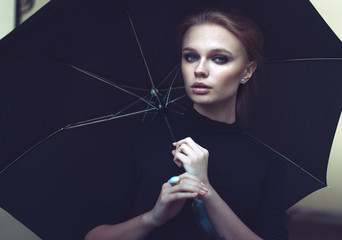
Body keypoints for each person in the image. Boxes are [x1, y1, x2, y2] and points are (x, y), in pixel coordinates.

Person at [85, 8, 288, 240]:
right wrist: (152, 218)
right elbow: (93, 236)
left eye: (219, 58)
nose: (199, 70)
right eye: (190, 56)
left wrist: (206, 190)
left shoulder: (265, 163)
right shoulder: (142, 141)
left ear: (248, 70)